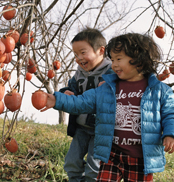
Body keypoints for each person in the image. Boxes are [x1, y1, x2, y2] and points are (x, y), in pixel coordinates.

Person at [41, 33, 174, 181]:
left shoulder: (159, 90)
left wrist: (170, 134)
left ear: (139, 61)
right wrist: (57, 100)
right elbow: (82, 102)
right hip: (112, 155)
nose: (114, 64)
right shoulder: (108, 87)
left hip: (141, 158)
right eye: (112, 59)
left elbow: (170, 114)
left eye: (118, 59)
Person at [59, 27, 114, 182]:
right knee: (71, 162)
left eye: (83, 52)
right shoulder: (79, 73)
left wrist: (111, 85)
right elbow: (71, 88)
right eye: (76, 54)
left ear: (101, 51)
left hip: (100, 130)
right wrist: (66, 92)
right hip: (81, 127)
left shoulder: (112, 71)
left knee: (94, 168)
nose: (79, 58)